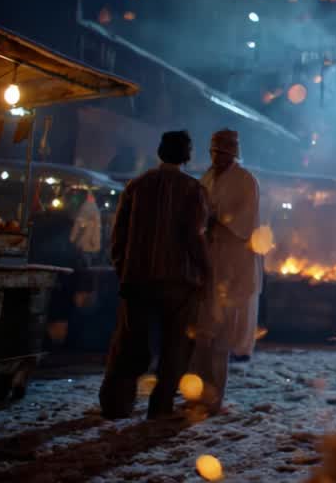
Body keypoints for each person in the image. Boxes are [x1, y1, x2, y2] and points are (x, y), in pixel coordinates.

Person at [99, 131, 210, 420]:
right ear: (187, 155)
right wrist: (206, 271)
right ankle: (160, 407)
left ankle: (116, 405)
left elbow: (119, 234)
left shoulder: (137, 185)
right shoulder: (193, 189)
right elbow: (195, 237)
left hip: (137, 280)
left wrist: (123, 268)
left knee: (130, 344)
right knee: (175, 347)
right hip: (179, 283)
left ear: (160, 152)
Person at [190, 129, 261, 415]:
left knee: (221, 335)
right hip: (208, 261)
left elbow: (246, 220)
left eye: (223, 153)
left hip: (232, 264)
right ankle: (196, 391)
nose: (217, 157)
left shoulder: (245, 180)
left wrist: (218, 222)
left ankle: (214, 396)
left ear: (233, 153)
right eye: (214, 152)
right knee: (201, 333)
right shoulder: (206, 177)